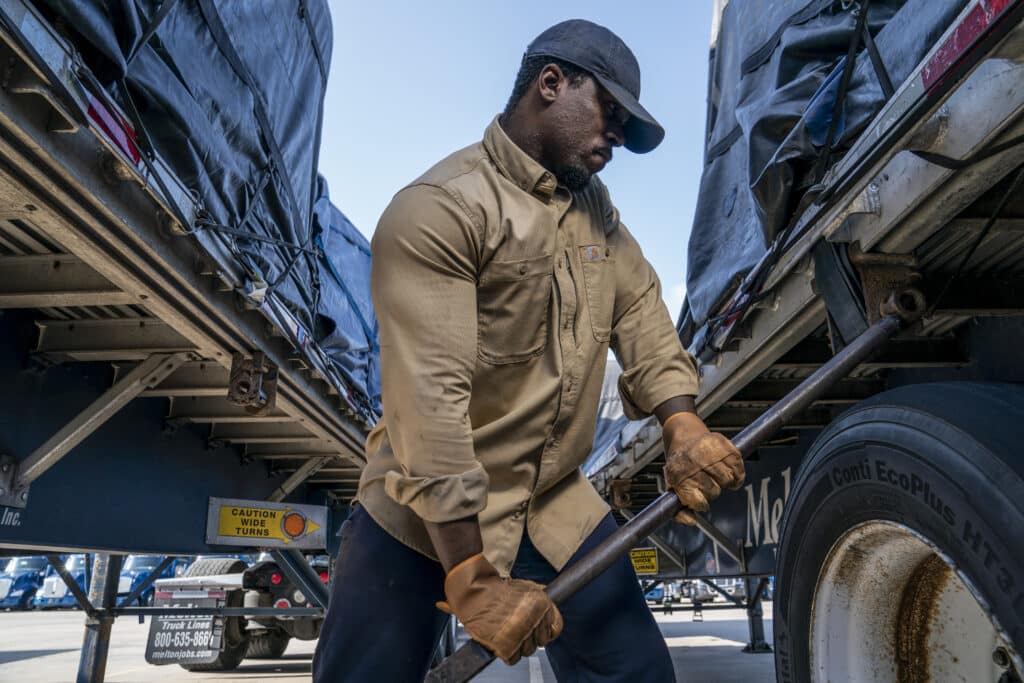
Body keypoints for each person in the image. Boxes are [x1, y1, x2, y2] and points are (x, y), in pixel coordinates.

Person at [312, 18, 745, 683]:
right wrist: (469, 575)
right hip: (426, 506)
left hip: (552, 502)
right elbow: (431, 405)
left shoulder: (597, 217)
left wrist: (682, 423)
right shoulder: (442, 210)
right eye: (610, 114)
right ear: (551, 84)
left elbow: (641, 314)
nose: (617, 140)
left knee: (637, 672)